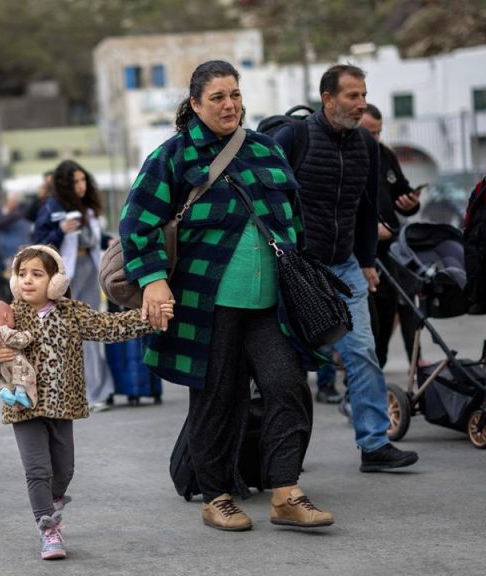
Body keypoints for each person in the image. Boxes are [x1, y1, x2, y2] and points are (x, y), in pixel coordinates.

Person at [120, 59, 335, 532]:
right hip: (206, 305)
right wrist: (153, 279)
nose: (229, 105)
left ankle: (285, 492)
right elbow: (137, 224)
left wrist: (303, 275)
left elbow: (293, 220)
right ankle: (215, 495)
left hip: (269, 305)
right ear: (195, 104)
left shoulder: (265, 151)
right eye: (217, 97)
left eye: (234, 95)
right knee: (217, 398)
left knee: (288, 386)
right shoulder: (172, 156)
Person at [0, 245, 172, 559]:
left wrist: (150, 318)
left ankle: (53, 500)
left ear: (56, 281)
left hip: (62, 406)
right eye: (22, 274)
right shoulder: (11, 313)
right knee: (37, 469)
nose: (27, 281)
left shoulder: (71, 312)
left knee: (64, 470)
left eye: (37, 274)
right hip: (23, 407)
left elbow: (109, 327)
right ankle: (47, 528)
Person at [274, 64, 418, 472]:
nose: (361, 104)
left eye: (364, 95)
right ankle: (284, 453)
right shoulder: (292, 137)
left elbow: (367, 207)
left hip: (345, 265)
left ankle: (374, 445)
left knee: (362, 351)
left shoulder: (367, 148)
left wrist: (368, 260)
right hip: (296, 268)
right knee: (289, 360)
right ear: (328, 99)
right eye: (352, 96)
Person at [32, 160, 113, 412]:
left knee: (90, 331)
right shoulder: (52, 207)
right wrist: (60, 229)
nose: (81, 185)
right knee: (68, 333)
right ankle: (79, 391)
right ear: (65, 184)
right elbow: (39, 244)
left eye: (83, 180)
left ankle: (98, 390)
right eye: (75, 181)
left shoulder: (88, 208)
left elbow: (95, 240)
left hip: (89, 270)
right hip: (65, 276)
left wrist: (110, 242)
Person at [359, 104, 423, 368]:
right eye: (368, 132)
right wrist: (366, 231)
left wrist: (410, 203)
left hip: (391, 251)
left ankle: (412, 365)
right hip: (361, 253)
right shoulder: (345, 156)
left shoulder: (385, 154)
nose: (374, 138)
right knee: (369, 325)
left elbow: (402, 191)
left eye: (378, 132)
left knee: (395, 312)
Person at [0, 299, 36, 409]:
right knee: (25, 373)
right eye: (12, 317)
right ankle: (21, 393)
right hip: (15, 360)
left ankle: (5, 390)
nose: (14, 321)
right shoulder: (3, 330)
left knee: (7, 380)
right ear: (6, 316)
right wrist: (28, 335)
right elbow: (17, 340)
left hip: (2, 365)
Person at [0, 190, 32, 271]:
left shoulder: (22, 213)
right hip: (7, 253)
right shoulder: (2, 214)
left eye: (14, 201)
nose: (12, 203)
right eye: (10, 201)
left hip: (22, 252)